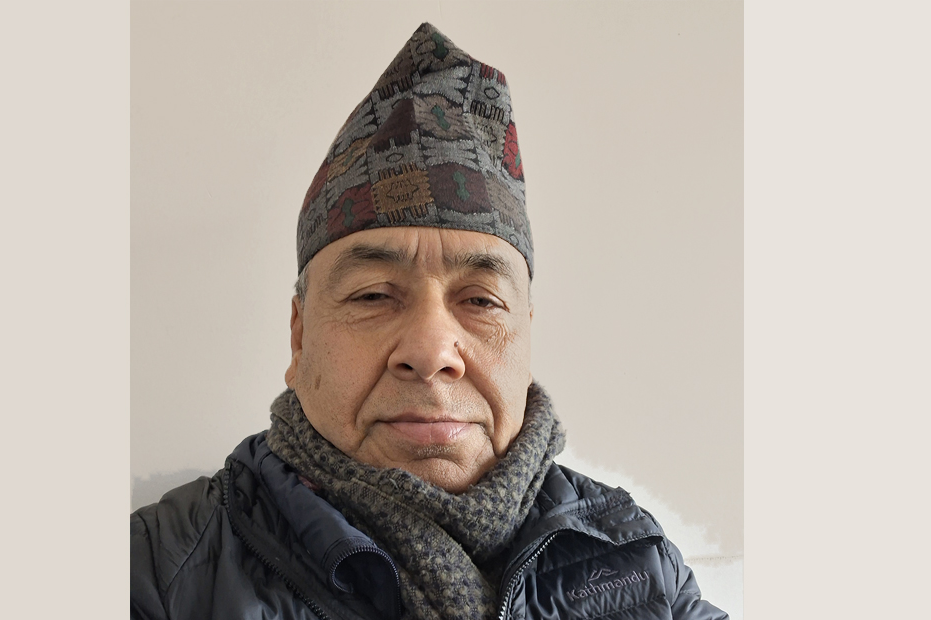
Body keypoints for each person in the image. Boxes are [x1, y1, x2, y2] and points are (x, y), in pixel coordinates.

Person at [131, 23, 727, 620]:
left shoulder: (639, 559)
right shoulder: (155, 573)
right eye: (372, 295)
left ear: (526, 334)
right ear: (299, 335)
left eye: (481, 301)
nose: (432, 350)